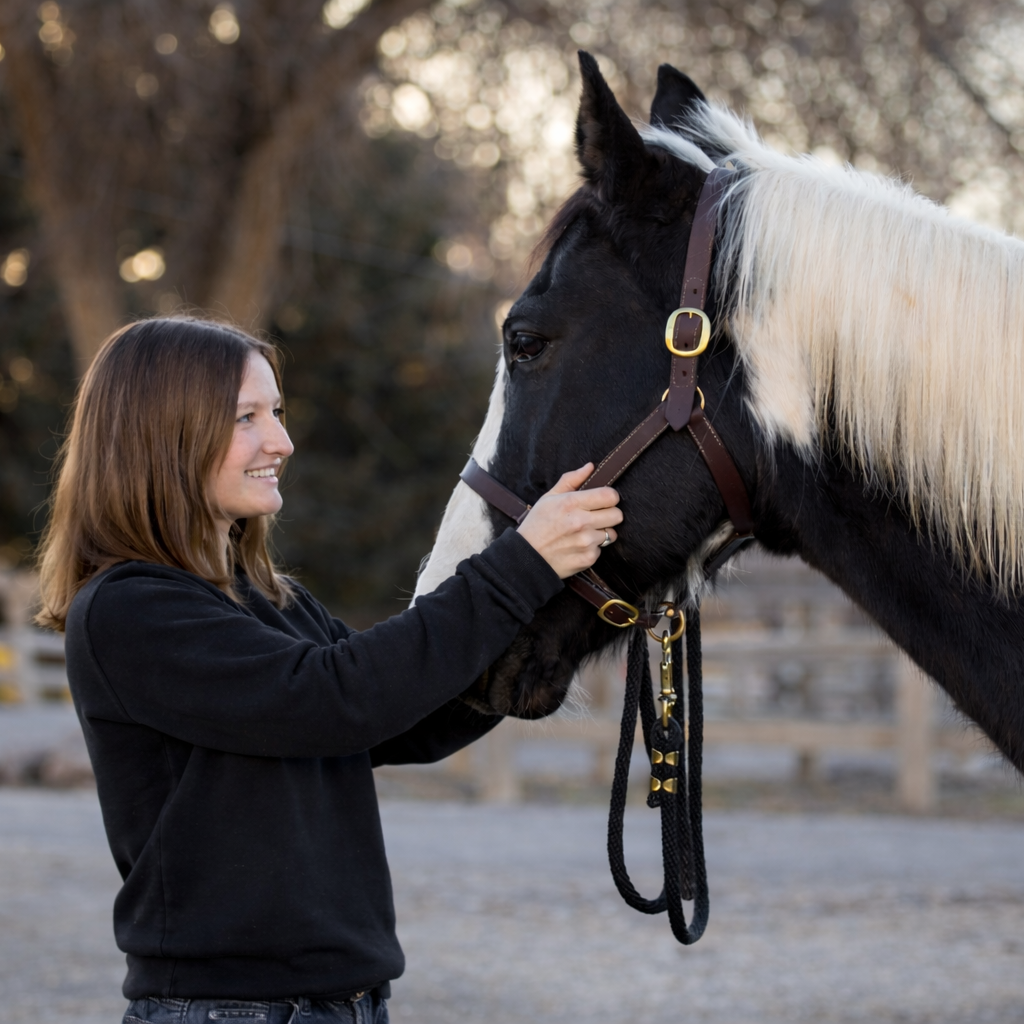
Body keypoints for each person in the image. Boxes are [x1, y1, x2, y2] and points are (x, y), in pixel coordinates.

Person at [36, 317, 622, 1024]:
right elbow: (336, 699)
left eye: (276, 413)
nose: (280, 441)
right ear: (163, 435)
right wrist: (519, 565)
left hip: (344, 1005)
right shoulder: (130, 611)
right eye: (246, 417)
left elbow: (397, 722)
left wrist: (543, 636)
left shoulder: (272, 600)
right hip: (225, 1012)